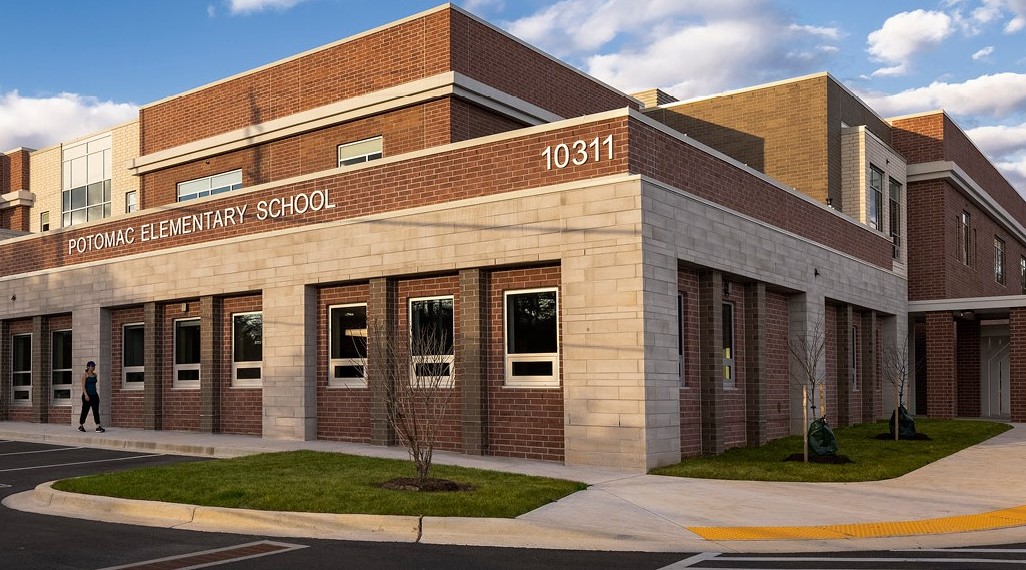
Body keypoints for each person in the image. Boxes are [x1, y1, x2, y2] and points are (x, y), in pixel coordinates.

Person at [78, 361, 106, 433]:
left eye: (94, 366)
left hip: (94, 395)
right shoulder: (85, 375)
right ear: (88, 367)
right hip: (87, 395)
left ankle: (98, 426)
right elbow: (83, 386)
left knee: (96, 411)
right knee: (85, 411)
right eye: (92, 366)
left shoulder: (95, 375)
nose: (93, 367)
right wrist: (86, 395)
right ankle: (81, 426)